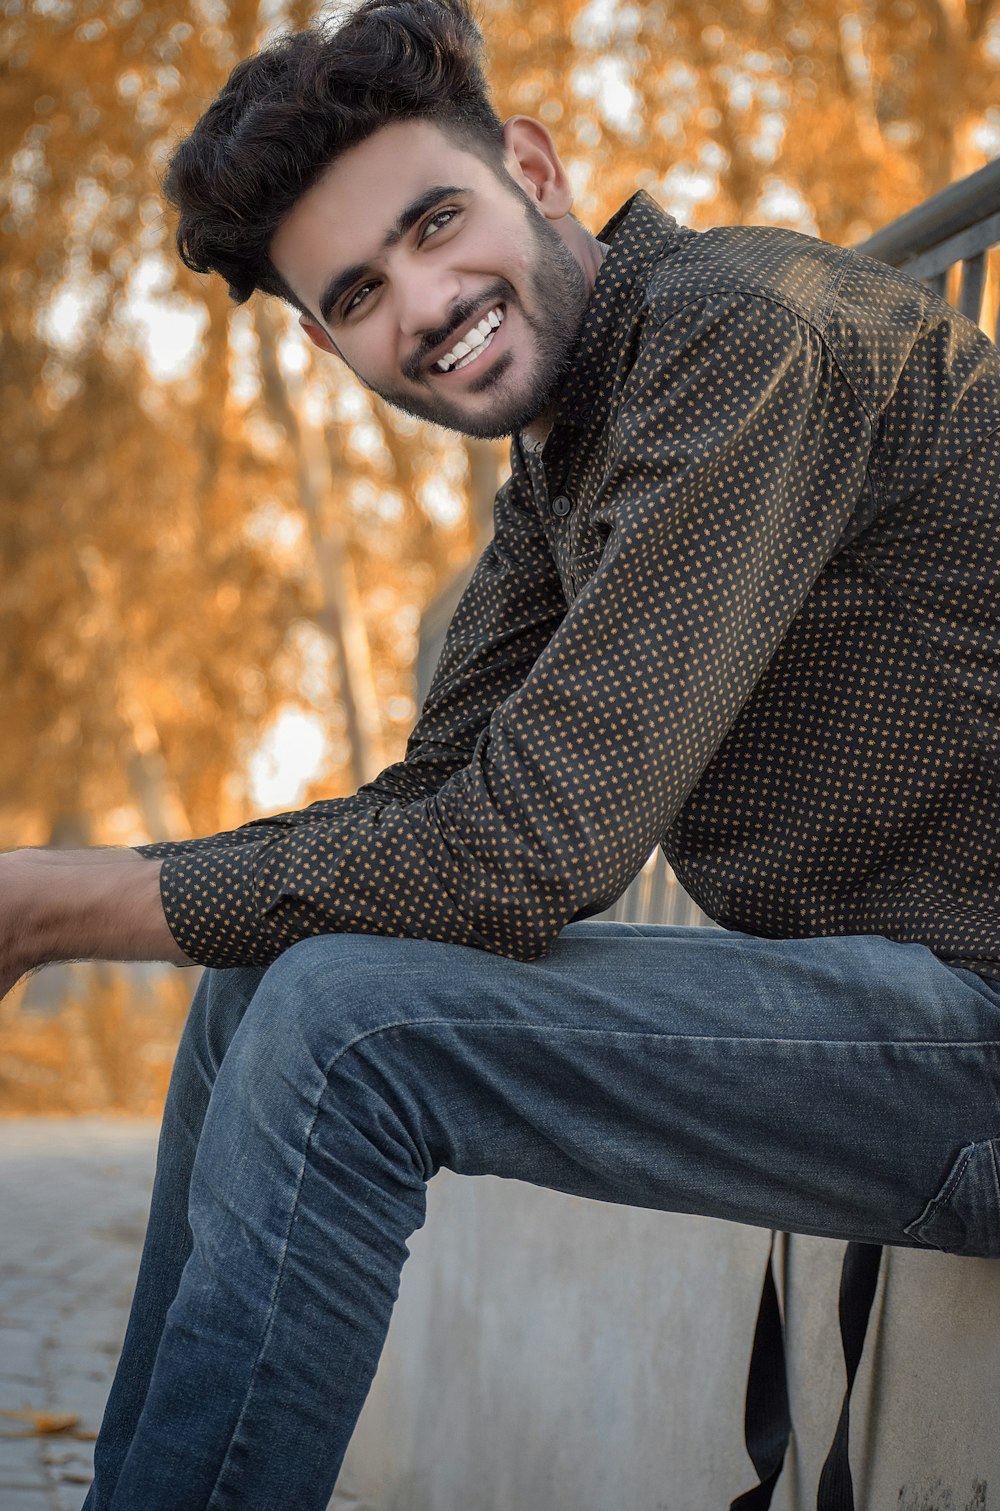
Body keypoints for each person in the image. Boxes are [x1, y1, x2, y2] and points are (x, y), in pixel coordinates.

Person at [3, 0, 1000, 1505]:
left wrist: (58, 904)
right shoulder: (563, 459)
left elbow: (534, 847)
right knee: (262, 987)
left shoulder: (742, 336)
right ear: (331, 343)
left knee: (346, 1022)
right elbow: (429, 817)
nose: (422, 301)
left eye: (434, 222)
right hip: (919, 1025)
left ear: (533, 168)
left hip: (979, 1029)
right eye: (354, 294)